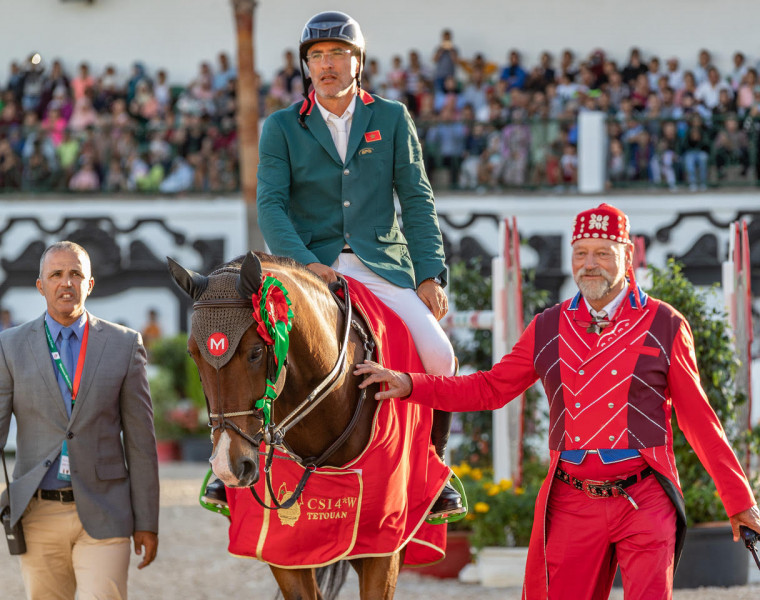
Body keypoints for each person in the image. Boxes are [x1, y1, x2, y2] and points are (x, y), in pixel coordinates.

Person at [355, 203, 760, 600]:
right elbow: (490, 388)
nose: (589, 263)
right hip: (572, 500)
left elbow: (700, 421)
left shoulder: (664, 323)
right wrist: (410, 384)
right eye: (580, 252)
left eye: (603, 252)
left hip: (646, 499)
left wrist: (739, 501)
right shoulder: (549, 325)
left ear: (628, 255)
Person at [251, 10, 461, 520]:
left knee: (441, 360)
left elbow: (416, 200)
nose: (327, 65)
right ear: (306, 67)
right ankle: (227, 467)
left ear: (358, 62)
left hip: (380, 265)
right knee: (247, 345)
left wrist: (431, 275)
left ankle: (435, 470)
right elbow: (271, 206)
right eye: (317, 57)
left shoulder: (391, 118)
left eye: (338, 54)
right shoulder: (280, 126)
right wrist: (303, 263)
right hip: (306, 266)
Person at [0, 241, 159, 600]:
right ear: (41, 285)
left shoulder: (124, 345)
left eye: (75, 274)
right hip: (37, 513)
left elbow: (141, 442)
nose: (66, 283)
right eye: (56, 275)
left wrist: (147, 522)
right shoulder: (10, 346)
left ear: (90, 284)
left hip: (106, 511)